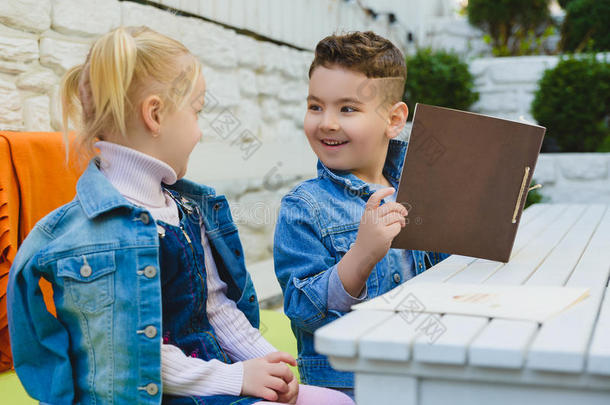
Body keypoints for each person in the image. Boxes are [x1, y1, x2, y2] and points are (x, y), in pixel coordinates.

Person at [7, 26, 353, 405]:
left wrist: (263, 359)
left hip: (213, 378)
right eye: (197, 111)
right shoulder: (94, 236)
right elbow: (136, 355)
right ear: (155, 115)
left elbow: (215, 307)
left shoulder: (185, 209)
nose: (200, 132)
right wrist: (236, 377)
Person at [273, 31, 450, 398]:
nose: (328, 123)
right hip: (352, 387)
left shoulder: (426, 188)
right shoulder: (304, 206)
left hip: (430, 372)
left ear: (394, 119)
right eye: (315, 106)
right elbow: (302, 310)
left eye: (347, 108)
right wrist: (360, 257)